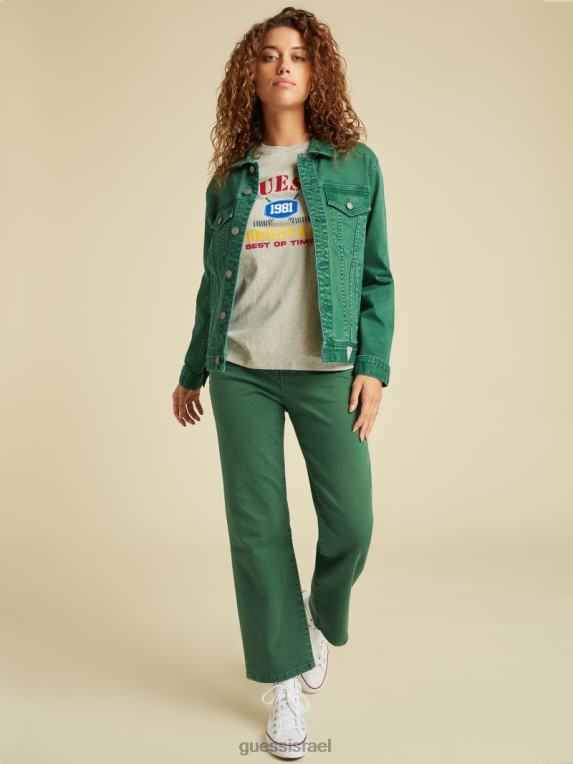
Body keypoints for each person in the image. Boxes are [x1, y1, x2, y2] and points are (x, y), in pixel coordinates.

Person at [172, 6, 395, 759]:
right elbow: (213, 284)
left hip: (328, 368)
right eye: (269, 55)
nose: (284, 66)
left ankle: (317, 613)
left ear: (317, 70)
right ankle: (284, 685)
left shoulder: (356, 165)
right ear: (252, 73)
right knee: (257, 529)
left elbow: (377, 277)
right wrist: (191, 370)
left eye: (298, 54)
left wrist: (374, 366)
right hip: (240, 371)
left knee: (353, 521)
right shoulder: (228, 179)